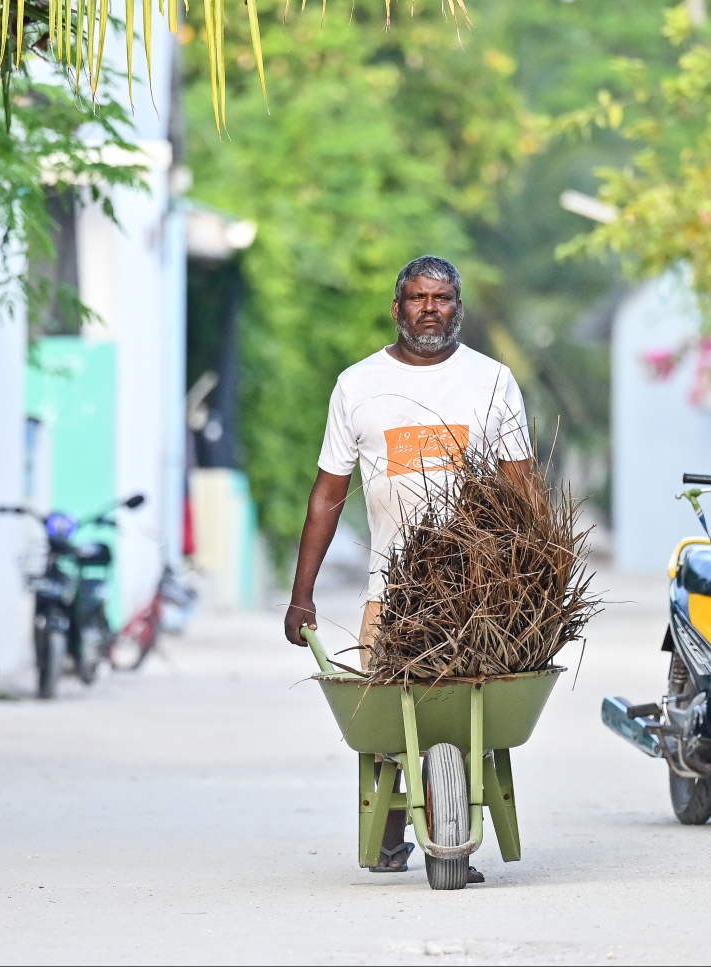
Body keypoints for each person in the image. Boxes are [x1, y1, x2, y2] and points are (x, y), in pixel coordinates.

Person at [282, 255, 532, 883]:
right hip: (390, 588)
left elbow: (523, 490)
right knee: (389, 720)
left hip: (481, 590)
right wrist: (300, 594)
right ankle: (395, 831)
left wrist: (532, 581)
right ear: (396, 308)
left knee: (468, 714)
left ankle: (450, 828)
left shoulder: (494, 381)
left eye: (442, 297)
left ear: (458, 308)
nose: (429, 309)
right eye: (417, 298)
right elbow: (327, 496)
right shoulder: (356, 385)